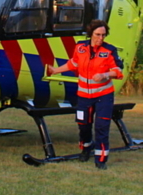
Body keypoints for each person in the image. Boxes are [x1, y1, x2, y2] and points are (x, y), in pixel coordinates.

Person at [46, 19, 124, 169]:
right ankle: (86, 148)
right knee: (83, 125)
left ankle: (101, 160)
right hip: (83, 96)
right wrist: (55, 70)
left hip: (103, 96)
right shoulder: (80, 47)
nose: (100, 38)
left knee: (102, 126)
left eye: (103, 35)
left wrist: (105, 75)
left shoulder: (110, 50)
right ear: (90, 34)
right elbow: (74, 63)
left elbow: (118, 71)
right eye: (97, 34)